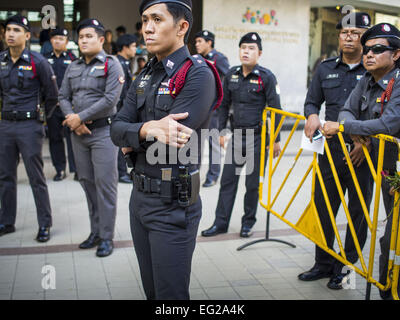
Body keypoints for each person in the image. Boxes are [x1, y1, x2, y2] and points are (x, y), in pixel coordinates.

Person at [110, 0, 220, 299]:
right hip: (140, 200)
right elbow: (115, 129)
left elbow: (174, 137)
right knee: (152, 292)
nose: (147, 27)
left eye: (157, 19)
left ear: (182, 27)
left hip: (174, 205)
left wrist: (132, 136)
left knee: (170, 297)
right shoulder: (146, 75)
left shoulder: (198, 74)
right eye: (144, 19)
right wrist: (146, 129)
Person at [323, 23, 400, 299]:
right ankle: (387, 289)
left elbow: (389, 123)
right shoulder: (367, 80)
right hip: (387, 166)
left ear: (397, 54)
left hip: (393, 166)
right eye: (367, 50)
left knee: (394, 234)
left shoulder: (398, 82)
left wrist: (346, 128)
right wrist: (357, 136)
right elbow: (346, 111)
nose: (369, 54)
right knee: (392, 234)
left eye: (378, 49)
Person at [298, 12, 373, 290]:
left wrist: (365, 144)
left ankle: (347, 265)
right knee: (323, 207)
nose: (349, 36)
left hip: (362, 154)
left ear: (366, 36)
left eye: (356, 31)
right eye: (344, 32)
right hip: (329, 151)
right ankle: (323, 262)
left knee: (357, 212)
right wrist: (311, 116)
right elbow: (311, 101)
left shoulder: (374, 70)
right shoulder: (325, 67)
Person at [201, 32, 282, 238]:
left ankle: (248, 223)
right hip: (237, 137)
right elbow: (223, 105)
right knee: (228, 182)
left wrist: (275, 140)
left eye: (251, 48)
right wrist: (220, 131)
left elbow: (276, 110)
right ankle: (220, 223)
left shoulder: (266, 77)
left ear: (259, 53)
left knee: (252, 185)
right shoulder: (231, 74)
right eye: (243, 47)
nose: (246, 51)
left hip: (258, 139)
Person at [59, 18, 124, 257]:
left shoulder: (111, 64)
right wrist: (73, 119)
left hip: (103, 133)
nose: (83, 40)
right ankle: (95, 231)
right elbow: (63, 95)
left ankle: (107, 237)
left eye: (89, 36)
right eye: (81, 36)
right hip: (79, 134)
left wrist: (78, 117)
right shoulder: (73, 66)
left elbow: (110, 100)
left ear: (101, 39)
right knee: (87, 182)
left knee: (105, 185)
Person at [0, 15, 58, 242]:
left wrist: (40, 121)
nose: (11, 34)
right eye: (8, 30)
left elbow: (52, 96)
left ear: (26, 35)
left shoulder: (37, 61)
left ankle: (44, 224)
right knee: (5, 176)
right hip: (5, 125)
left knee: (36, 177)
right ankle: (7, 221)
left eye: (16, 30)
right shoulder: (1, 60)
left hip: (29, 125)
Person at [194, 30, 230, 187]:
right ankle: (194, 172)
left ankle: (213, 175)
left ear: (209, 42)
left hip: (215, 109)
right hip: (200, 107)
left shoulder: (219, 58)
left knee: (213, 142)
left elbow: (226, 80)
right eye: (196, 42)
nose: (197, 44)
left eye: (200, 41)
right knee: (197, 141)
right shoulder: (197, 60)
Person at [44, 28, 77, 181]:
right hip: (51, 106)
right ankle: (60, 169)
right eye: (55, 38)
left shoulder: (72, 58)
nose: (57, 41)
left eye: (61, 38)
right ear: (51, 41)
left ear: (66, 41)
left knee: (73, 138)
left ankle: (77, 169)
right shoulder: (44, 59)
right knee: (55, 138)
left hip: (70, 106)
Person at [116, 34, 137, 183]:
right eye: (134, 46)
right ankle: (121, 172)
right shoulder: (119, 63)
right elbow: (121, 92)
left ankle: (123, 170)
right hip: (120, 108)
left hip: (122, 108)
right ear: (125, 47)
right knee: (121, 141)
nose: (135, 49)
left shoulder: (125, 63)